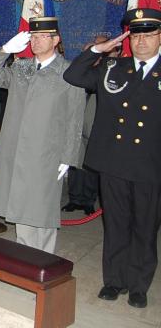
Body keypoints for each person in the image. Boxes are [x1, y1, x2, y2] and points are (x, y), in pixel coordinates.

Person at [63, 8, 161, 309]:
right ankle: (114, 281)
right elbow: (74, 75)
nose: (142, 41)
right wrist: (97, 49)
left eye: (149, 35)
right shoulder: (113, 67)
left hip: (150, 165)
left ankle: (138, 284)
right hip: (114, 162)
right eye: (137, 35)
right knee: (116, 224)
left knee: (144, 227)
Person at [0, 17, 86, 252]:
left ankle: (43, 260)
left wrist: (68, 157)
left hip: (46, 153)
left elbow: (74, 118)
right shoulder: (21, 67)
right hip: (16, 150)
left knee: (42, 211)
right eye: (33, 37)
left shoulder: (69, 72)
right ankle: (25, 258)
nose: (35, 42)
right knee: (20, 209)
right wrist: (5, 50)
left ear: (56, 40)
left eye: (42, 37)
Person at [62, 35, 112, 215]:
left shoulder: (105, 73)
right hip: (76, 127)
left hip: (93, 128)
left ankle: (88, 200)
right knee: (75, 165)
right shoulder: (78, 72)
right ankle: (74, 199)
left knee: (90, 168)